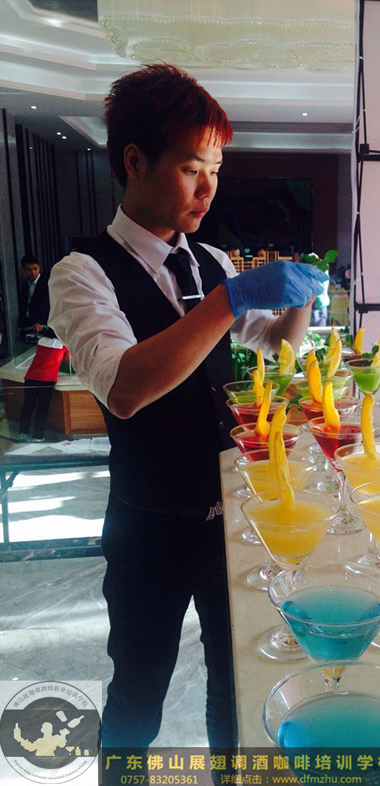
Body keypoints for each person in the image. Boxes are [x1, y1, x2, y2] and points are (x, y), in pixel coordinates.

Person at [48, 63, 326, 769]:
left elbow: (275, 345)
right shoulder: (83, 272)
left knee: (234, 687)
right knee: (138, 698)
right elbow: (124, 387)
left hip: (231, 521)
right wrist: (230, 301)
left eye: (217, 171)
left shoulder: (211, 261)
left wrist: (299, 300)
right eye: (191, 169)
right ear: (134, 161)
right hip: (148, 531)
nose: (208, 188)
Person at [18, 328, 69, 442]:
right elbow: (70, 359)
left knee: (27, 406)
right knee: (42, 409)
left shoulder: (41, 341)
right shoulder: (63, 346)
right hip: (46, 380)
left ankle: (23, 432)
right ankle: (38, 436)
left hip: (31, 377)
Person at [18, 255, 50, 334]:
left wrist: (40, 322)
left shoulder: (46, 283)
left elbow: (46, 305)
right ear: (24, 270)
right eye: (29, 270)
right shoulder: (25, 285)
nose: (33, 272)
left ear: (39, 267)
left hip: (43, 324)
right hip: (29, 324)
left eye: (35, 269)